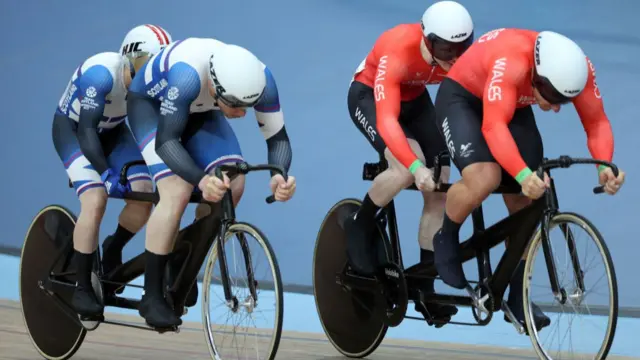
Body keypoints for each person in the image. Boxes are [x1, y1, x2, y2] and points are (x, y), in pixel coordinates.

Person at [432, 28, 626, 332]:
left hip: (514, 102)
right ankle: (446, 234)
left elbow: (597, 122)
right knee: (485, 177)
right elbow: (494, 126)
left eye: (565, 99)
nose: (557, 107)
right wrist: (521, 173)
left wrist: (604, 165)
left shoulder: (580, 69)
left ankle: (516, 293)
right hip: (464, 98)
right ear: (536, 75)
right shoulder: (511, 62)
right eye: (551, 97)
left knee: (531, 198)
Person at [126, 37, 296, 328]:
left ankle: (181, 261)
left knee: (235, 182)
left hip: (201, 109)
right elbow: (166, 142)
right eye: (235, 106)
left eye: (248, 106)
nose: (242, 115)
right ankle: (151, 294)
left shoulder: (262, 79)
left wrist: (278, 174)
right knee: (177, 191)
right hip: (151, 108)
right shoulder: (187, 77)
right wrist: (200, 180)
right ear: (215, 87)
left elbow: (277, 138)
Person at [344, 0, 474, 326]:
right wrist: (415, 168)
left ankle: (424, 287)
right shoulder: (397, 47)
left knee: (441, 181)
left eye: (462, 47)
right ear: (428, 40)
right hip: (371, 96)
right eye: (447, 48)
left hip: (414, 98)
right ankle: (360, 225)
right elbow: (388, 121)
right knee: (405, 167)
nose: (456, 56)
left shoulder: (457, 54)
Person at [52, 24, 172, 318]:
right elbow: (87, 132)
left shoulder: (151, 84)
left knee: (143, 191)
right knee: (95, 200)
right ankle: (81, 286)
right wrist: (106, 175)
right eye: (146, 66)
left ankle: (113, 244)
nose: (151, 75)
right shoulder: (102, 75)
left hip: (114, 132)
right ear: (130, 59)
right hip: (76, 131)